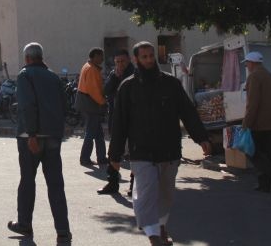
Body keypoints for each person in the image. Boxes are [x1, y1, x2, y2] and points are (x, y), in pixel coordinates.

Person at [109, 41, 211, 246]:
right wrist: (115, 154)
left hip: (169, 149)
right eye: (144, 57)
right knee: (146, 192)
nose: (148, 60)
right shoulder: (127, 87)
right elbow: (119, 122)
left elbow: (187, 112)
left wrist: (202, 138)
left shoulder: (171, 84)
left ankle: (161, 227)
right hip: (141, 151)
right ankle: (153, 235)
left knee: (165, 194)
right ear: (136, 59)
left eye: (150, 56)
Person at [7, 42, 71, 243]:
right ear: (41, 57)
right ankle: (63, 229)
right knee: (55, 184)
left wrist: (32, 134)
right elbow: (65, 106)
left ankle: (24, 223)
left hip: (31, 137)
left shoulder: (25, 75)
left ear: (27, 58)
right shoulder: (53, 77)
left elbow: (27, 106)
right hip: (52, 136)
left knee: (27, 180)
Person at [242, 51, 271, 192]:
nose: (246, 65)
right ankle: (265, 185)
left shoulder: (254, 77)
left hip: (259, 124)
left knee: (253, 153)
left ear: (252, 63)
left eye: (247, 63)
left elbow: (252, 103)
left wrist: (246, 123)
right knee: (266, 155)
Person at [98, 49, 135, 195]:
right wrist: (114, 78)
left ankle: (134, 185)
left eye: (122, 61)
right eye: (117, 62)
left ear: (129, 60)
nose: (120, 64)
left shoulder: (135, 74)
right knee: (114, 153)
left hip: (133, 119)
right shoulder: (114, 74)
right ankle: (112, 184)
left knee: (134, 154)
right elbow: (105, 90)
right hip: (116, 117)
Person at [75, 47, 108, 166]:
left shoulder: (88, 66)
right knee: (91, 132)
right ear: (94, 56)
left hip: (87, 102)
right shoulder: (92, 69)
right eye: (101, 56)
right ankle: (85, 158)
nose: (103, 59)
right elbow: (94, 90)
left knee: (98, 133)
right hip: (90, 103)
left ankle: (101, 157)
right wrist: (103, 102)